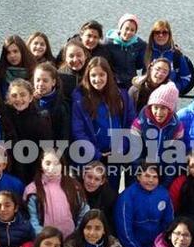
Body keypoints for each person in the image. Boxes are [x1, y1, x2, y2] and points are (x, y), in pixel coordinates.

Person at [71, 57, 135, 189]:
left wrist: (121, 146)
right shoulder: (81, 98)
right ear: (88, 76)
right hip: (93, 155)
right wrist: (95, 153)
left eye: (101, 75)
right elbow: (79, 130)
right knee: (91, 190)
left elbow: (130, 124)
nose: (97, 79)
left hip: (115, 155)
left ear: (108, 75)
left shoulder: (121, 96)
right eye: (93, 75)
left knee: (111, 191)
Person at [114, 162, 174, 247]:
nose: (150, 180)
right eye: (146, 176)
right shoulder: (127, 197)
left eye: (154, 177)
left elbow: (169, 224)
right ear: (138, 176)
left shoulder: (164, 194)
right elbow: (125, 232)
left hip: (156, 246)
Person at [24, 149, 89, 238]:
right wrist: (42, 236)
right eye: (47, 163)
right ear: (40, 165)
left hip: (71, 241)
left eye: (57, 163)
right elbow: (32, 218)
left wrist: (76, 235)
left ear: (62, 165)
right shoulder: (33, 189)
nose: (52, 168)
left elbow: (84, 211)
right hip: (44, 242)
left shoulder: (74, 186)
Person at [130, 81, 184, 186]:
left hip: (162, 174)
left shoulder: (177, 127)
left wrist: (166, 183)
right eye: (155, 107)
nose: (158, 113)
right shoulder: (139, 123)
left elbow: (174, 158)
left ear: (170, 110)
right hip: (140, 174)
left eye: (163, 108)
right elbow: (134, 154)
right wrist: (140, 176)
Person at [6, 78, 54, 183]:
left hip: (33, 170)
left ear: (31, 97)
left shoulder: (41, 118)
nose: (18, 99)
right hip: (11, 169)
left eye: (23, 95)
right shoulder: (6, 117)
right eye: (14, 96)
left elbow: (46, 148)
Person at [143, 20, 193, 94]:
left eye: (165, 33)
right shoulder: (146, 51)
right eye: (157, 32)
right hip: (148, 94)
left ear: (169, 35)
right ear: (152, 35)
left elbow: (186, 77)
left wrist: (174, 88)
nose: (161, 35)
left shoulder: (176, 54)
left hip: (168, 95)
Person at [104, 13, 147, 89]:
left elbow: (139, 65)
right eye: (126, 28)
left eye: (132, 30)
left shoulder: (139, 44)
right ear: (120, 28)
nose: (129, 32)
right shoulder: (108, 44)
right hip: (114, 84)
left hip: (131, 83)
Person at [33, 62, 71, 141]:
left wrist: (58, 152)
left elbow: (64, 134)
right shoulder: (29, 101)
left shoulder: (61, 106)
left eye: (45, 81)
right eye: (38, 80)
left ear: (53, 82)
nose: (40, 84)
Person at [79, 161, 117, 229]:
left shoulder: (109, 197)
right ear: (83, 175)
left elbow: (109, 223)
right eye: (89, 177)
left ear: (102, 181)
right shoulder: (75, 190)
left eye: (97, 179)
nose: (92, 182)